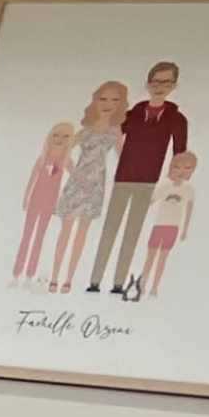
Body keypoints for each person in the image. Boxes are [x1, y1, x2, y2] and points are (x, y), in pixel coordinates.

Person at [91, 60, 187, 293]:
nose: (160, 86)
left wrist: (169, 183)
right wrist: (123, 155)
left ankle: (118, 283)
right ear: (148, 84)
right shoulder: (133, 113)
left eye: (166, 82)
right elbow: (114, 133)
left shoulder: (177, 118)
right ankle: (94, 281)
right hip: (124, 177)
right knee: (110, 228)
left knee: (132, 231)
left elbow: (179, 153)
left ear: (174, 85)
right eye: (156, 81)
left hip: (149, 181)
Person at [48, 82, 127, 294]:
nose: (108, 104)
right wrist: (76, 174)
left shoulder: (115, 132)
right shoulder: (86, 130)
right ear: (95, 101)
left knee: (82, 232)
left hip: (96, 186)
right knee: (65, 231)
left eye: (114, 100)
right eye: (103, 99)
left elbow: (123, 157)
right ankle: (54, 277)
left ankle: (69, 280)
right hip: (76, 183)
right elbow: (64, 154)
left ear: (120, 104)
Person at [10, 120, 78, 281]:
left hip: (50, 203)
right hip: (35, 200)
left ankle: (29, 275)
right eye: (56, 135)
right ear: (49, 137)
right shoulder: (42, 158)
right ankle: (16, 274)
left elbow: (75, 180)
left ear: (70, 140)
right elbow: (32, 179)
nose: (60, 139)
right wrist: (26, 198)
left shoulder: (66, 160)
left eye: (65, 136)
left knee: (39, 237)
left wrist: (64, 200)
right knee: (26, 237)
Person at [136, 148, 196, 301]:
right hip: (159, 225)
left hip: (173, 227)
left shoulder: (188, 189)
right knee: (150, 256)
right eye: (177, 167)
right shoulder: (165, 186)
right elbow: (150, 201)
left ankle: (155, 286)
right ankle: (142, 283)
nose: (181, 171)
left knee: (163, 257)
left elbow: (189, 209)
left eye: (187, 168)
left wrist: (184, 230)